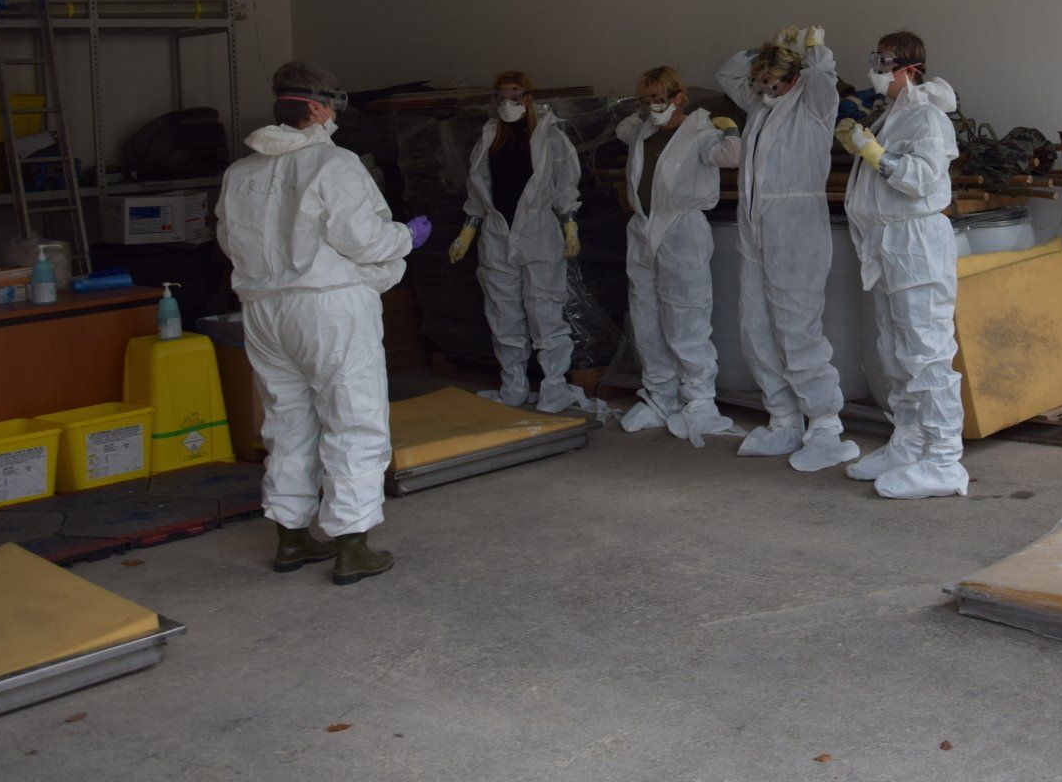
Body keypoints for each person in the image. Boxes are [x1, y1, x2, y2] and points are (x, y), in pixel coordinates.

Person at [216, 61, 428, 584]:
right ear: (314, 108)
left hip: (264, 311)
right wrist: (406, 237)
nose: (335, 114)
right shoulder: (333, 163)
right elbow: (364, 241)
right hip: (327, 309)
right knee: (353, 419)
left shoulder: (240, 174)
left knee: (287, 422)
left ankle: (291, 538)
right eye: (332, 104)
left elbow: (229, 242)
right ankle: (352, 545)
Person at [715, 26, 859, 472]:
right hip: (755, 227)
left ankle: (826, 425)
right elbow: (727, 75)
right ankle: (783, 419)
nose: (762, 88)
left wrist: (815, 48)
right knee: (755, 326)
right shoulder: (762, 104)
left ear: (792, 76)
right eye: (759, 81)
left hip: (796, 227)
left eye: (771, 80)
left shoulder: (814, 104)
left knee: (798, 328)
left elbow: (823, 78)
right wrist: (760, 48)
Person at [835, 31, 967, 498]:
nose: (875, 69)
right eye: (874, 58)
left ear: (910, 68)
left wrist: (874, 154)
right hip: (889, 243)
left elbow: (922, 180)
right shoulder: (893, 112)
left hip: (916, 243)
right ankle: (909, 443)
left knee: (926, 353)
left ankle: (944, 459)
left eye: (884, 61)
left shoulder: (928, 117)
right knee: (895, 351)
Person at [448, 72, 590, 415]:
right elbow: (477, 192)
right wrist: (466, 234)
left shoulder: (550, 138)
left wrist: (570, 228)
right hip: (497, 234)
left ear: (528, 96)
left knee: (546, 310)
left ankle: (554, 386)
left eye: (513, 93)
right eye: (499, 94)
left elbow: (566, 186)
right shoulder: (489, 138)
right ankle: (513, 385)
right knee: (503, 312)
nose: (506, 101)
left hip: (539, 232)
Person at [615, 66, 744, 444]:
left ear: (678, 97)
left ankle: (699, 399)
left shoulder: (700, 132)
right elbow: (623, 128)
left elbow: (730, 157)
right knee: (646, 314)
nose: (652, 106)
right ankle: (661, 395)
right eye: (646, 100)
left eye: (659, 98)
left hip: (682, 228)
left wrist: (730, 130)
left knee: (687, 316)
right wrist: (642, 114)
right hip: (644, 227)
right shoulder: (643, 131)